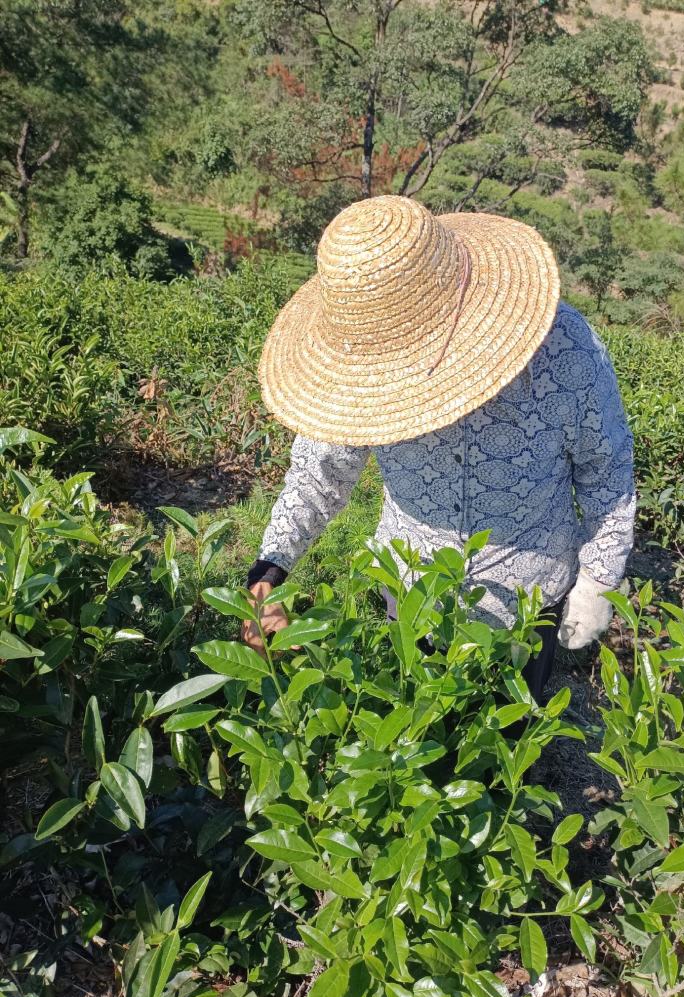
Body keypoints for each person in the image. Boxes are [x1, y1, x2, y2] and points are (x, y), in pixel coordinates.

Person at [242, 195, 635, 704]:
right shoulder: (358, 363)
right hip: (410, 596)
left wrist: (599, 579)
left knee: (507, 749)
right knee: (410, 751)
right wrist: (270, 570)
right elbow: (319, 472)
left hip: (526, 605)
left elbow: (607, 469)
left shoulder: (566, 351)